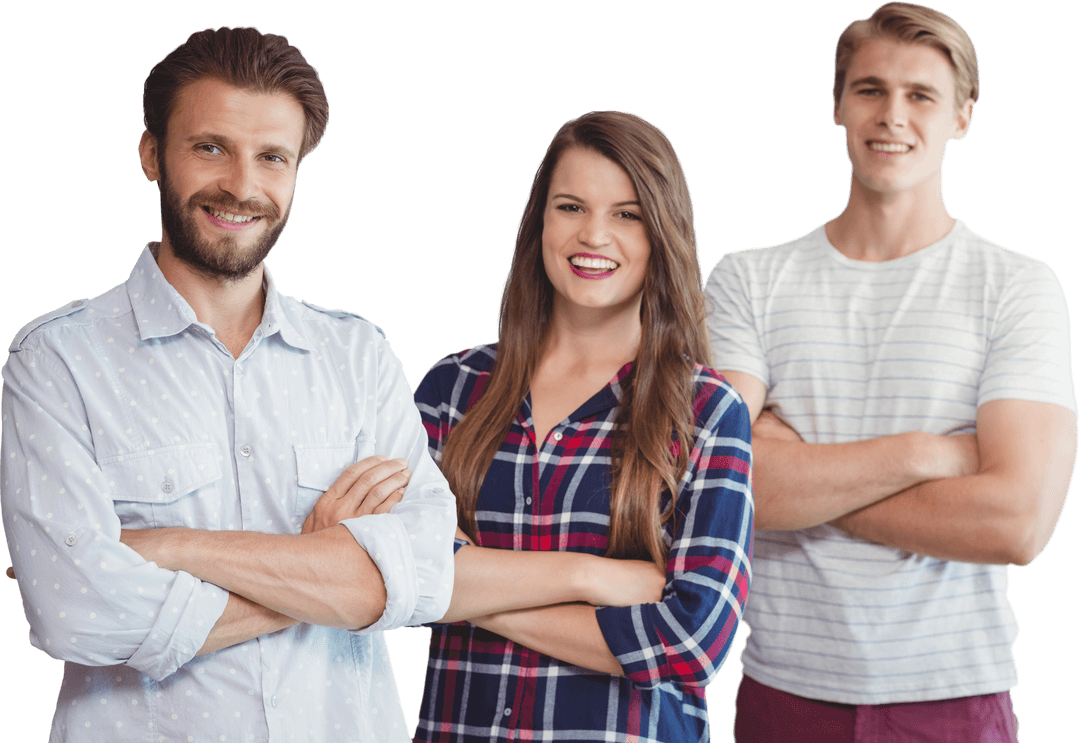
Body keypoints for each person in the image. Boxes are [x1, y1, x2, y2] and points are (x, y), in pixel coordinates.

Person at [0, 26, 457, 742]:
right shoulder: (57, 362)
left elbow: (425, 573)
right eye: (210, 147)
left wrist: (171, 546)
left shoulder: (357, 355)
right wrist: (322, 564)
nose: (243, 186)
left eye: (272, 157)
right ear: (153, 153)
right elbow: (77, 611)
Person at [703, 3, 1077, 741]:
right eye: (870, 89)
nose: (892, 115)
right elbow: (716, 489)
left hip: (955, 695)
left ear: (964, 116)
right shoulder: (748, 279)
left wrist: (796, 474)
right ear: (838, 104)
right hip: (785, 690)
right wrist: (926, 453)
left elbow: (1019, 521)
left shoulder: (1018, 285)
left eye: (921, 95)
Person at [410, 111, 754, 742]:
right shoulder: (450, 391)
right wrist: (588, 577)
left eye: (627, 214)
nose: (594, 235)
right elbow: (395, 569)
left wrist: (468, 592)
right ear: (539, 220)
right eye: (571, 206)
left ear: (662, 234)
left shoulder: (706, 409)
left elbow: (691, 642)